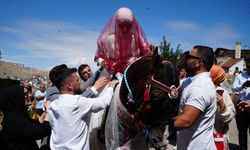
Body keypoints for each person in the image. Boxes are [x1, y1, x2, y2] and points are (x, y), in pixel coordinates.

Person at [47, 64, 116, 150]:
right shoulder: (77, 102)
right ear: (69, 85)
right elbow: (104, 102)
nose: (79, 82)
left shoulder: (52, 105)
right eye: (77, 80)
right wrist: (111, 87)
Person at [172, 45, 217, 150]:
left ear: (198, 62)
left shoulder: (200, 87)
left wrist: (158, 125)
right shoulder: (190, 81)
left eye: (189, 57)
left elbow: (186, 121)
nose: (186, 60)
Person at [94, 7, 149, 74]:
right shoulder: (107, 38)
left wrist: (135, 60)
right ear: (116, 23)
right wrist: (102, 62)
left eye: (128, 26)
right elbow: (98, 57)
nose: (124, 29)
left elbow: (147, 55)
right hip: (112, 72)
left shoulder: (138, 37)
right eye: (121, 25)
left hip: (134, 71)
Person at [0, 83, 50, 150]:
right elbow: (42, 131)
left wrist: (45, 112)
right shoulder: (13, 120)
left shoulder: (20, 114)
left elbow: (36, 123)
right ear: (15, 98)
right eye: (25, 94)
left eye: (29, 93)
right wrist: (48, 111)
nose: (29, 95)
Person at [210, 65, 236, 150]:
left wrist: (223, 106)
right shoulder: (197, 88)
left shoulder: (222, 90)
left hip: (217, 135)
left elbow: (229, 116)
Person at [231, 58, 250, 150]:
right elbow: (233, 89)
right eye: (249, 67)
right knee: (242, 131)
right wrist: (242, 86)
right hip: (241, 106)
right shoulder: (240, 76)